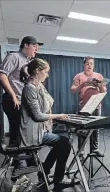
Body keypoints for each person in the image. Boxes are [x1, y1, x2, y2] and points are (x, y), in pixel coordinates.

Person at [19, 58, 72, 189]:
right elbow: (38, 116)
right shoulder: (29, 88)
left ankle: (45, 170)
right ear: (37, 71)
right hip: (31, 134)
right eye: (46, 72)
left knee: (62, 144)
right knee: (65, 143)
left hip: (38, 131)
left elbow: (47, 103)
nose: (47, 75)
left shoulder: (37, 86)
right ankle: (56, 178)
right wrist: (59, 115)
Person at [0, 36, 43, 147]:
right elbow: (1, 75)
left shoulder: (28, 62)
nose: (36, 49)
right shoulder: (14, 57)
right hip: (13, 100)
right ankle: (18, 163)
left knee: (23, 132)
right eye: (34, 46)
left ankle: (25, 161)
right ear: (25, 45)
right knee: (17, 132)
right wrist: (13, 95)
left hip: (22, 101)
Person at [71, 56, 107, 159]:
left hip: (96, 105)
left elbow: (104, 91)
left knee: (96, 129)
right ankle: (81, 151)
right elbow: (73, 90)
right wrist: (83, 85)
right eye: (87, 63)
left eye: (91, 63)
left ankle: (94, 149)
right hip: (84, 106)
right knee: (83, 129)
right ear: (84, 65)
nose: (89, 65)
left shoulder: (99, 76)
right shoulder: (79, 76)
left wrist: (100, 86)